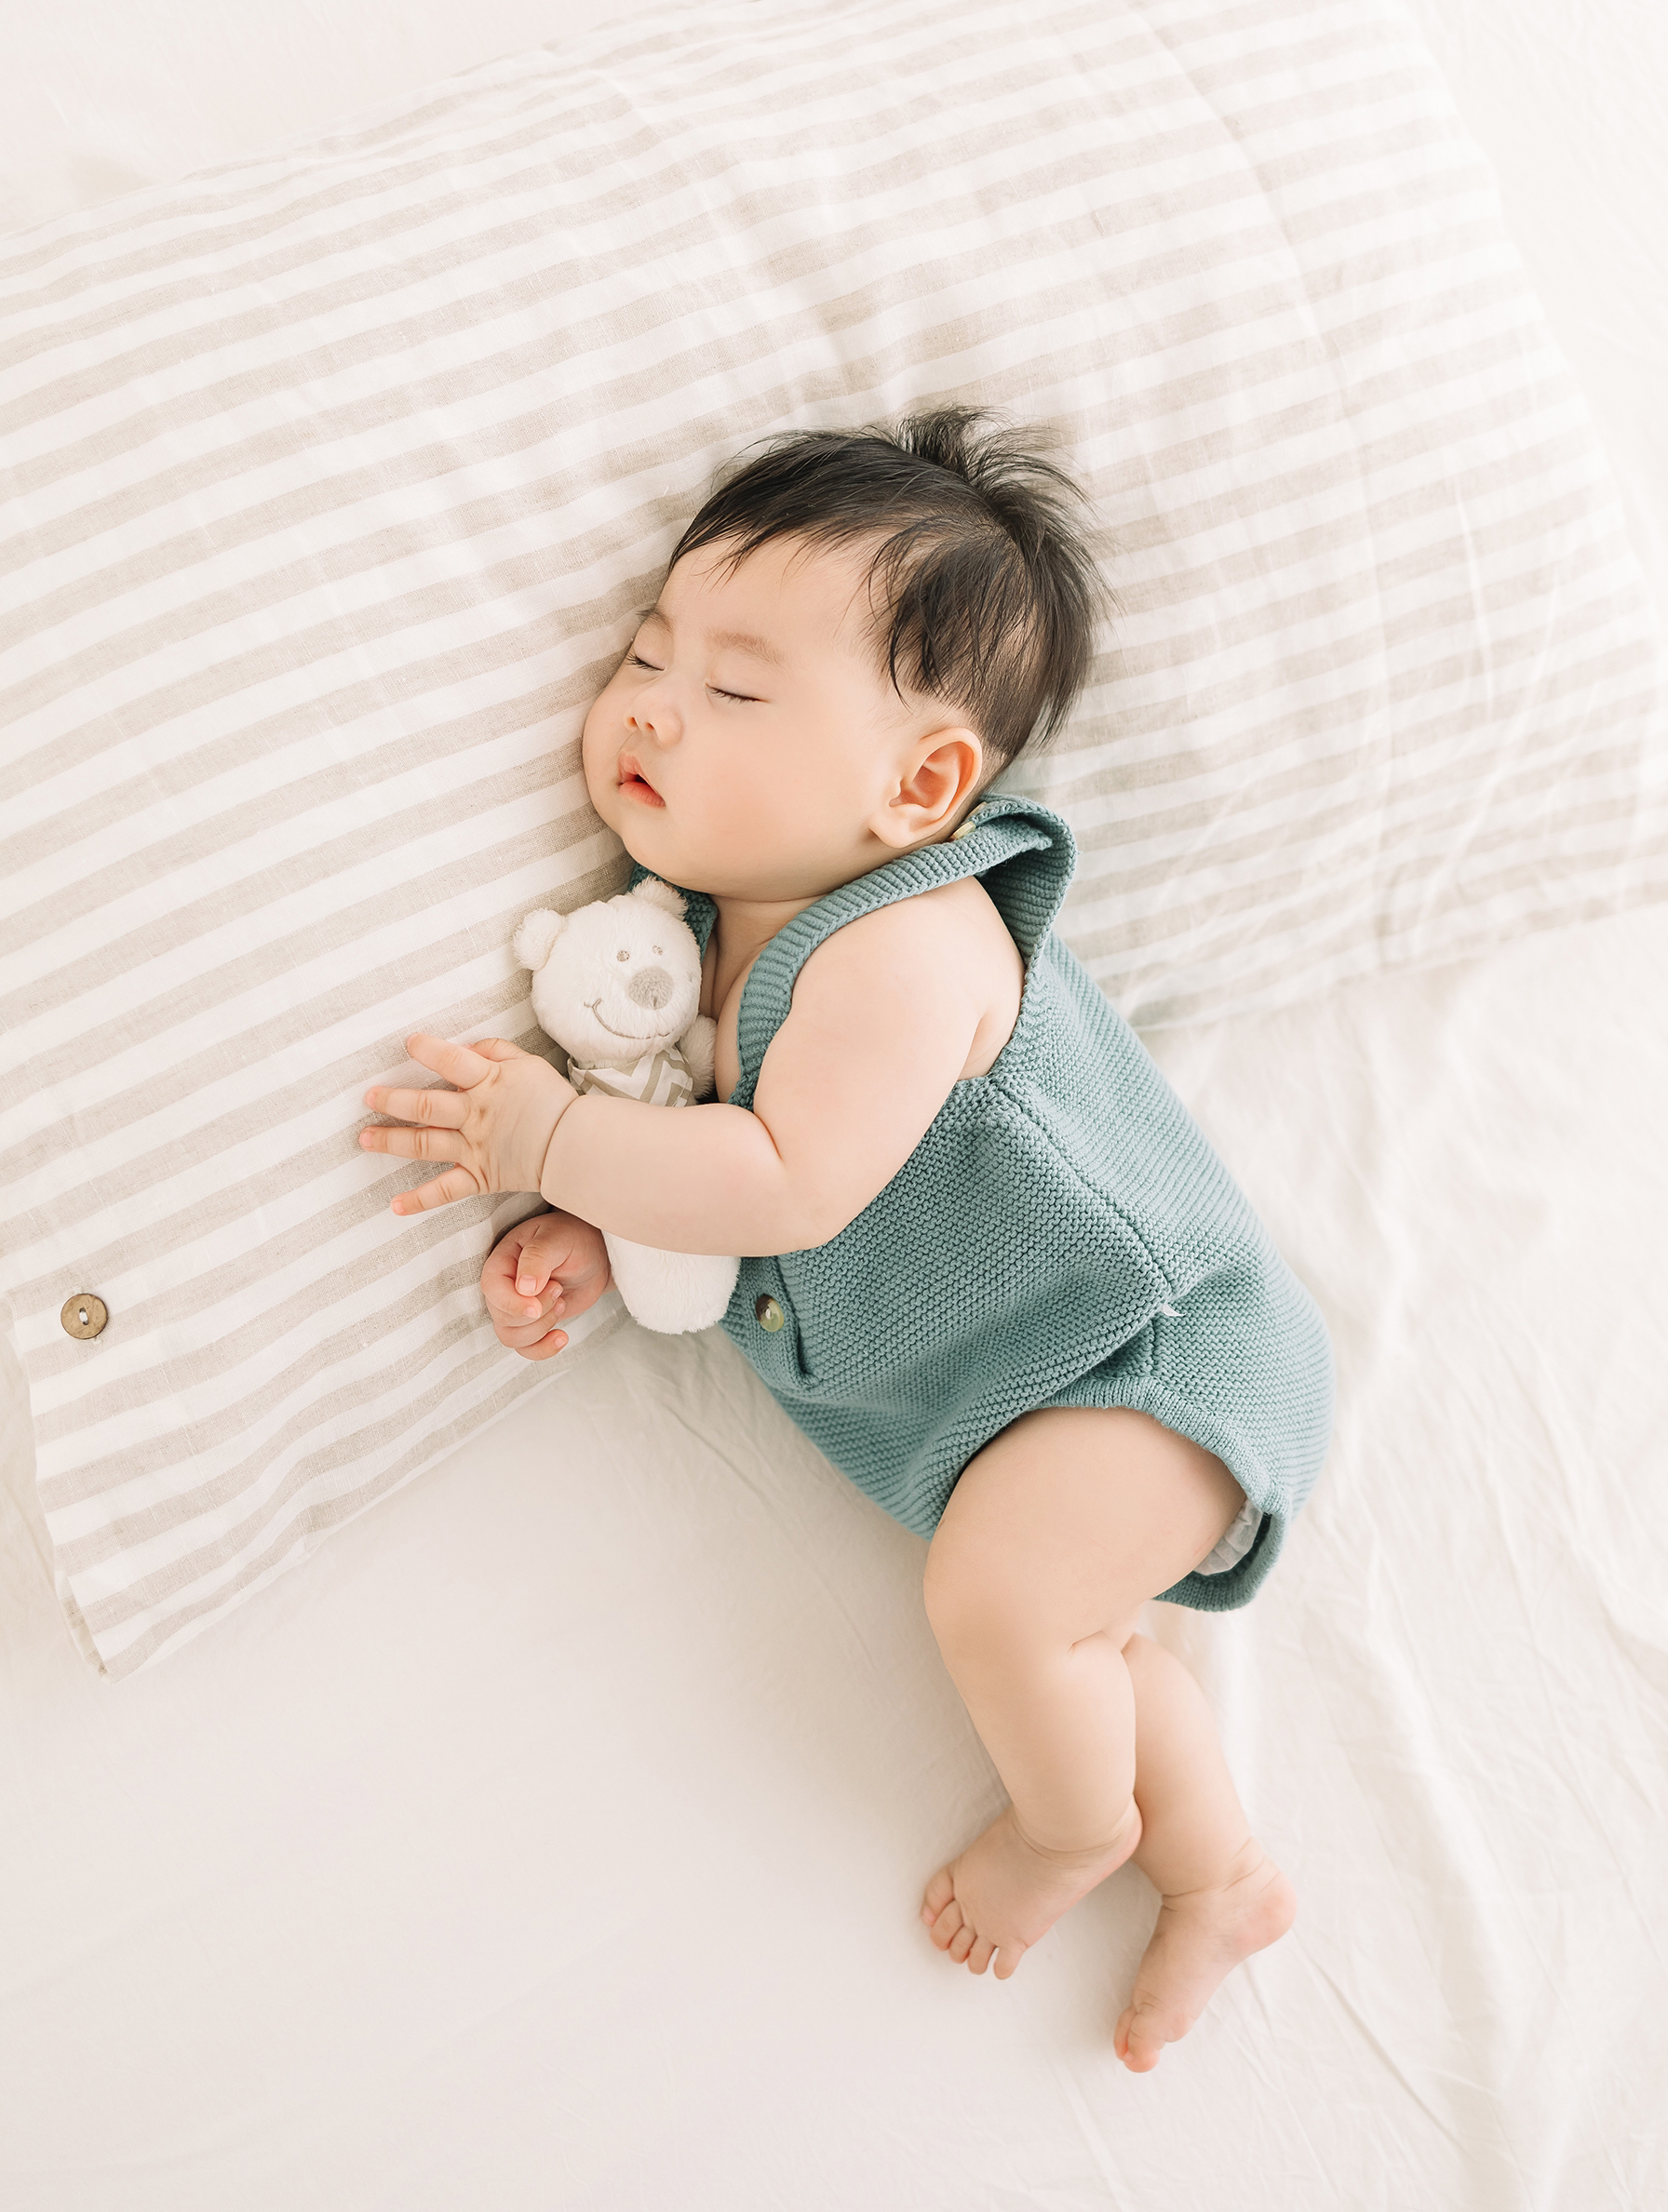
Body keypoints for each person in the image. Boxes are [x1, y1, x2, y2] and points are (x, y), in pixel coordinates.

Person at [356, 409, 1333, 2071]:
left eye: (735, 691)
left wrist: (549, 1142)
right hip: (1037, 1399)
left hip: (1151, 1351)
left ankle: (1071, 1830)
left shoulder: (905, 945)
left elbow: (790, 1181)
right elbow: (724, 1180)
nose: (652, 705)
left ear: (920, 786)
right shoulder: (692, 949)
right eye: (647, 653)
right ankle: (1218, 1875)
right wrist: (597, 1224)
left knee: (1001, 1600)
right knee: (1081, 1645)